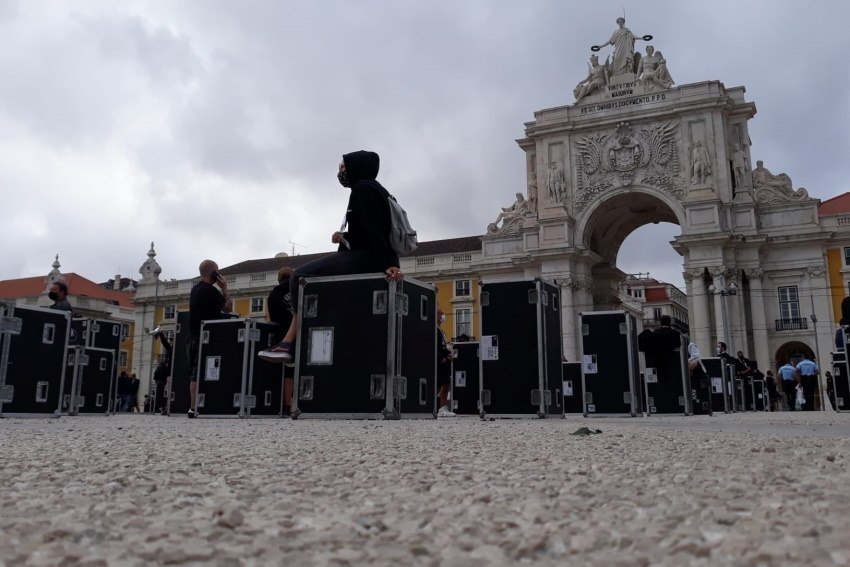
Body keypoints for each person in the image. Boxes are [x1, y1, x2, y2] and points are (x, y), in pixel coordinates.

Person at [259, 151, 403, 363]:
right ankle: (294, 342)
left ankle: (290, 343)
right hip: (370, 256)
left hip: (366, 259)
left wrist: (388, 264)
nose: (340, 171)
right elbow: (369, 232)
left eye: (343, 167)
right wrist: (344, 238)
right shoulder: (377, 190)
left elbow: (375, 232)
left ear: (357, 167)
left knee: (300, 276)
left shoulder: (363, 189)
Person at [187, 260, 233, 417]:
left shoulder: (195, 289)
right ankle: (197, 406)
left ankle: (193, 406)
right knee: (205, 370)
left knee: (194, 372)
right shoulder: (210, 291)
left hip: (191, 334)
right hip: (206, 336)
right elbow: (228, 308)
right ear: (214, 273)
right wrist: (225, 289)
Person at [266, 266, 295, 414]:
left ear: (279, 279)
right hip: (294, 336)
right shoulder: (296, 291)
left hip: (278, 337)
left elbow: (272, 319)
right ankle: (289, 404)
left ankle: (282, 404)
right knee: (292, 371)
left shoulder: (272, 295)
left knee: (283, 372)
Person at [435, 309, 456, 417]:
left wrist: (449, 353)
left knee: (444, 384)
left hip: (445, 361)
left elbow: (443, 346)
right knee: (441, 385)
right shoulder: (434, 330)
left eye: (442, 313)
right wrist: (442, 358)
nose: (442, 315)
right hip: (440, 362)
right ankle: (441, 408)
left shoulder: (441, 331)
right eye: (439, 313)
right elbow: (435, 346)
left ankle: (441, 408)